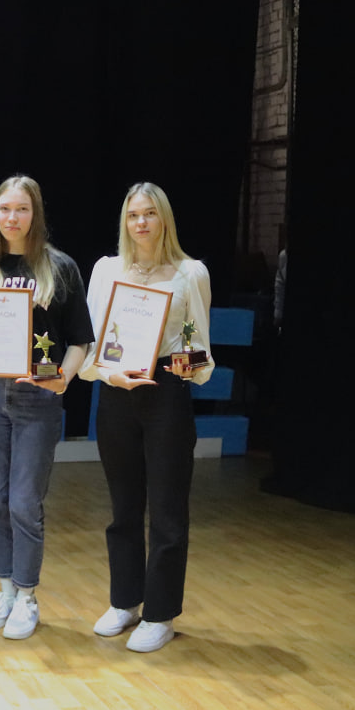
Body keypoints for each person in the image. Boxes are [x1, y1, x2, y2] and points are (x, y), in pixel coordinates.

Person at [79, 182, 214, 653]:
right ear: (125, 221)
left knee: (169, 511)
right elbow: (93, 342)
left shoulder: (190, 273)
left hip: (166, 396)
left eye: (150, 214)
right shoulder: (106, 269)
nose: (141, 222)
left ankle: (160, 614)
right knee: (122, 509)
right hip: (117, 393)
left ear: (164, 220)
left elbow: (199, 348)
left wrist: (189, 367)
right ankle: (125, 601)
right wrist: (109, 377)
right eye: (134, 214)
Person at [0, 175, 95, 640]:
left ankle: (27, 595)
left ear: (34, 213)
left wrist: (64, 379)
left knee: (23, 502)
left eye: (20, 209)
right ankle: (3, 590)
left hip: (38, 397)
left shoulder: (60, 268)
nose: (11, 218)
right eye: (4, 210)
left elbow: (81, 340)